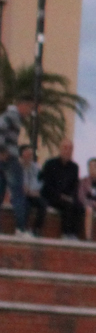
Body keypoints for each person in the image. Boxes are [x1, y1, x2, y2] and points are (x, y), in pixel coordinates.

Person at [0, 98, 35, 234]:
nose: (29, 112)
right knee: (18, 194)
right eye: (29, 108)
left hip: (5, 158)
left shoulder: (11, 116)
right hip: (9, 158)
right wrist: (3, 150)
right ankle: (20, 228)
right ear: (22, 105)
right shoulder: (12, 116)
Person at [39, 139, 82, 239]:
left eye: (70, 149)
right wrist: (60, 196)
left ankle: (74, 234)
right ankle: (65, 233)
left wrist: (70, 197)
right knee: (67, 206)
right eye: (65, 148)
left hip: (67, 197)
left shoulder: (74, 167)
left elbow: (75, 185)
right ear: (60, 149)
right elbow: (47, 184)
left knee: (79, 207)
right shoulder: (50, 164)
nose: (67, 151)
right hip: (51, 196)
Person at [16, 144, 45, 235]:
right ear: (22, 154)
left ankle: (36, 230)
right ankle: (21, 229)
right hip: (20, 195)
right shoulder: (17, 167)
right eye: (28, 154)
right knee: (25, 205)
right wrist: (28, 191)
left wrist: (34, 191)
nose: (30, 156)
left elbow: (38, 182)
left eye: (31, 154)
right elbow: (20, 186)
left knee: (43, 204)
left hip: (32, 194)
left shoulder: (35, 167)